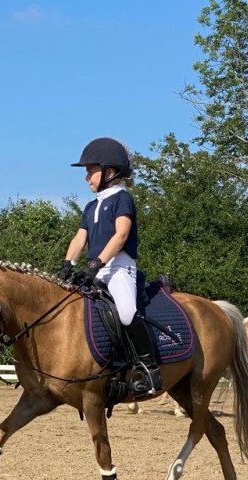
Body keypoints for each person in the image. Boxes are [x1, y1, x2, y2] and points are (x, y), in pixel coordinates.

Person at [57, 137, 163, 396]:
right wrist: (67, 264)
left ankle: (149, 369)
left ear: (110, 172)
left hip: (119, 267)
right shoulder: (91, 205)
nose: (87, 178)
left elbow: (121, 235)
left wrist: (96, 263)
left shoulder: (122, 198)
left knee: (126, 313)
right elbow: (80, 237)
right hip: (96, 267)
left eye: (90, 171)